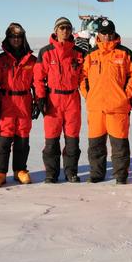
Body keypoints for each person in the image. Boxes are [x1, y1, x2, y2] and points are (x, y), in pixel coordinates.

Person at [80, 19, 132, 184]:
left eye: (109, 33)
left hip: (117, 108)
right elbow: (82, 76)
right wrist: (88, 95)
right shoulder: (90, 54)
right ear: (98, 34)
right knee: (96, 146)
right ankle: (96, 174)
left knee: (119, 146)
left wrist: (125, 95)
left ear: (114, 33)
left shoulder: (124, 53)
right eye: (103, 33)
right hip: (96, 107)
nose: (106, 36)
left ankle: (120, 175)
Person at [34, 17, 86, 183]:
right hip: (53, 99)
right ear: (55, 31)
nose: (65, 31)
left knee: (72, 139)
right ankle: (51, 173)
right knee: (51, 139)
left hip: (72, 99)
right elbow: (38, 78)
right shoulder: (46, 52)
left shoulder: (78, 52)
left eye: (68, 28)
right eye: (61, 28)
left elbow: (84, 77)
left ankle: (71, 172)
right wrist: (40, 98)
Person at [0, 23, 37, 187]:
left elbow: (37, 84)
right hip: (6, 102)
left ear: (23, 38)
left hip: (24, 102)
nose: (16, 40)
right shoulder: (0, 60)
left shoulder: (32, 60)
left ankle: (20, 170)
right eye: (12, 37)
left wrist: (38, 101)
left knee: (22, 137)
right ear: (7, 38)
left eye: (19, 37)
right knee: (4, 137)